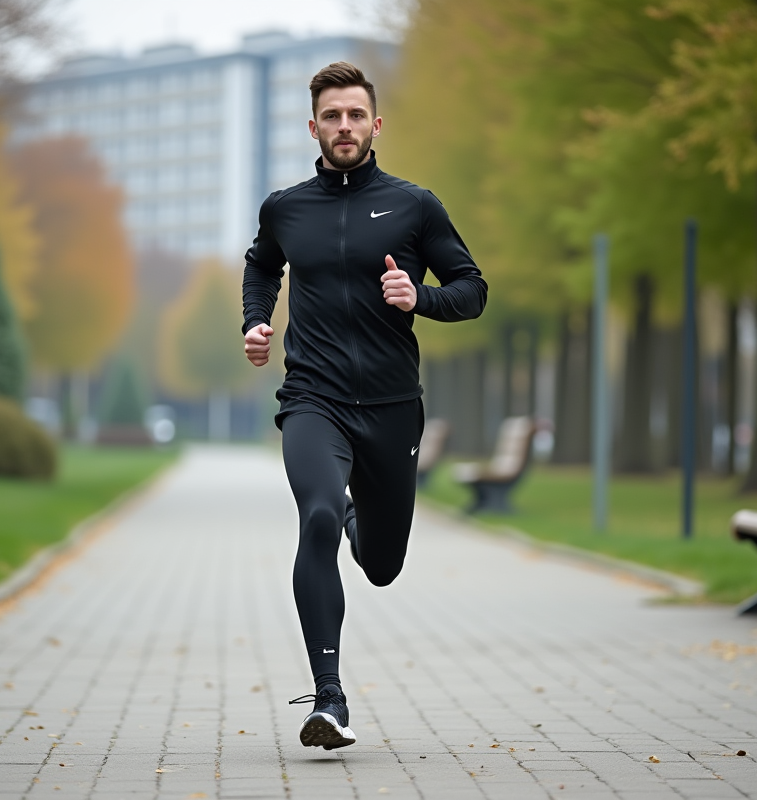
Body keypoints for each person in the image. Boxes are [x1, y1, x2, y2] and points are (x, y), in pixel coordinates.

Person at [241, 61, 487, 750]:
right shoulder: (286, 207)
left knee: (380, 564)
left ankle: (357, 514)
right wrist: (255, 321)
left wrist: (421, 298)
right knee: (316, 516)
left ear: (375, 124)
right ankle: (329, 697)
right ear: (313, 127)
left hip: (390, 407)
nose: (343, 126)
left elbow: (472, 288)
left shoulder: (415, 206)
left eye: (355, 115)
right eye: (332, 116)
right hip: (312, 398)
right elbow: (262, 264)